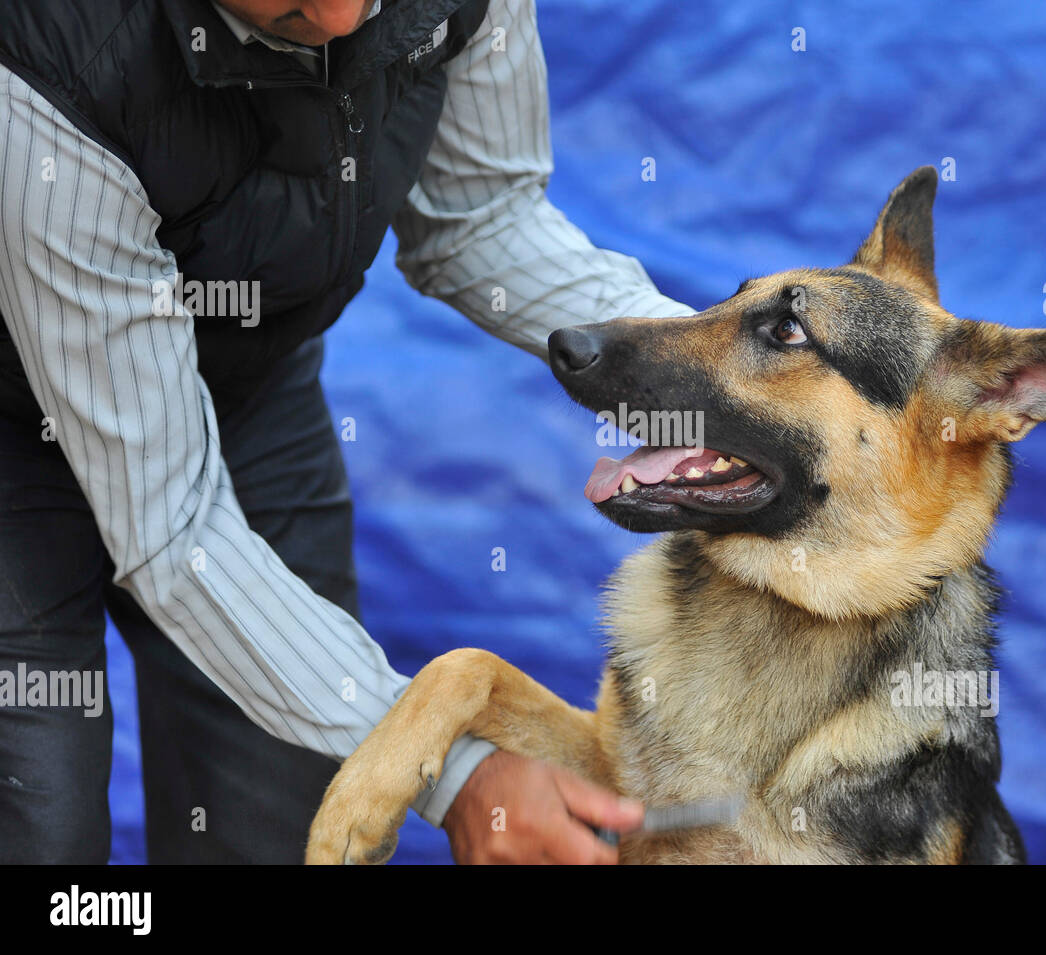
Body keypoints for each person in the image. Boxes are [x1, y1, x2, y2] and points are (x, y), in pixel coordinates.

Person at [0, 0, 687, 864]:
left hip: (248, 390)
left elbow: (481, 219)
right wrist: (452, 771)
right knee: (41, 832)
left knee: (278, 828)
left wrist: (709, 377)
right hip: (16, 429)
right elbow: (172, 530)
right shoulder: (56, 56)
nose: (335, 16)